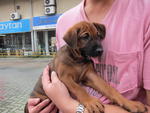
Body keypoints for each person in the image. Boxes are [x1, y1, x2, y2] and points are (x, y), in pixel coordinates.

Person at [27, 0, 150, 112]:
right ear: (73, 41)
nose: (97, 45)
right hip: (42, 101)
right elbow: (63, 80)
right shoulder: (63, 23)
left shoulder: (144, 11)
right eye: (85, 37)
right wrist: (32, 107)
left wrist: (124, 102)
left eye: (97, 36)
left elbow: (95, 81)